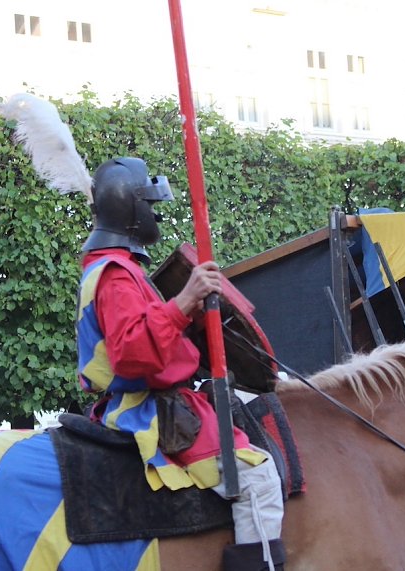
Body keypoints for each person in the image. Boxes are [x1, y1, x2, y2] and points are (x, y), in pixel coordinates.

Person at [76, 157, 285, 571]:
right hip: (149, 411)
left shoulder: (119, 268)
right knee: (258, 480)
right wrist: (185, 302)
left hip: (162, 401)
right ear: (131, 209)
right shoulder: (116, 274)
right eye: (149, 206)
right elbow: (131, 352)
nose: (154, 214)